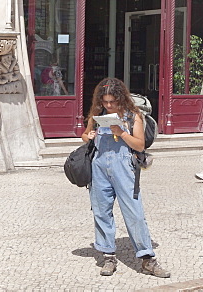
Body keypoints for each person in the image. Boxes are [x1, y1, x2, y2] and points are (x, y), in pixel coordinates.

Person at [82, 77, 171, 278]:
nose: (108, 105)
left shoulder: (133, 116)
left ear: (121, 98)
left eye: (112, 101)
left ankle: (147, 259)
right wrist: (88, 136)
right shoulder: (97, 114)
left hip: (124, 168)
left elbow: (140, 145)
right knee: (101, 212)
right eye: (105, 101)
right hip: (99, 168)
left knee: (134, 212)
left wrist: (121, 133)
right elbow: (85, 134)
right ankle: (108, 256)